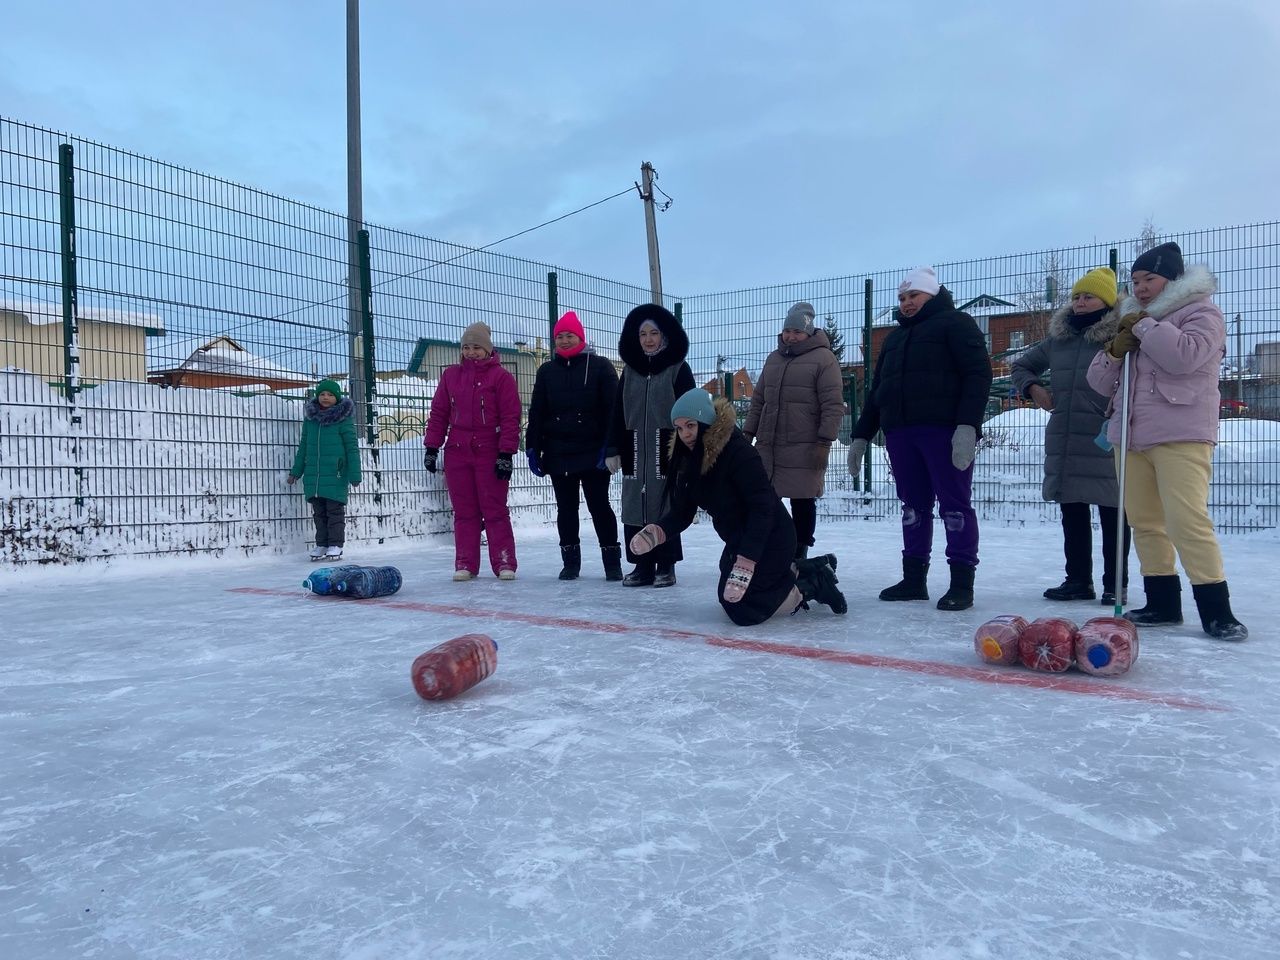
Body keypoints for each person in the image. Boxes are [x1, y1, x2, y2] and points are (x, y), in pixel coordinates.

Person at [1086, 242, 1247, 640]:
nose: (1139, 287)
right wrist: (1114, 349)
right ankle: (1162, 601)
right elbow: (1098, 382)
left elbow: (1185, 357)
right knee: (1144, 522)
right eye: (1135, 280)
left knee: (1186, 518)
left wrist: (1142, 326)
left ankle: (1217, 609)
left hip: (1181, 432)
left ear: (1171, 279)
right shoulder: (1131, 320)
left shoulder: (1202, 312)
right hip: (1130, 436)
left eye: (1149, 279)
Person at [630, 388, 847, 626]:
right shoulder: (689, 460)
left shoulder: (739, 453)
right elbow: (683, 511)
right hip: (739, 541)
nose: (685, 434)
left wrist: (747, 561)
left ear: (706, 421)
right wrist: (657, 533)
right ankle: (805, 568)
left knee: (742, 608)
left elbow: (762, 510)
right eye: (679, 428)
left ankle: (812, 586)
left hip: (771, 538)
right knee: (730, 596)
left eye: (690, 425)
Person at [847, 266, 992, 611]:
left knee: (954, 505)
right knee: (913, 507)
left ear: (932, 294)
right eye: (902, 297)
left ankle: (961, 582)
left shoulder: (956, 324)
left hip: (943, 432)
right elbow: (878, 390)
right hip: (901, 433)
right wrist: (861, 435)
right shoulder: (895, 338)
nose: (907, 303)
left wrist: (967, 426)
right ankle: (914, 579)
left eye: (914, 295)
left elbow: (978, 374)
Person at [1011, 267, 1132, 606]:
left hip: (1106, 435)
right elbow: (1021, 366)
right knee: (1073, 511)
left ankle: (1115, 584)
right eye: (1077, 296)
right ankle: (1078, 580)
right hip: (1065, 435)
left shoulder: (1121, 334)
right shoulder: (1058, 340)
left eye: (1088, 296)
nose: (1080, 302)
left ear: (1107, 301)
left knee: (1114, 512)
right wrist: (1034, 389)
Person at [525, 310, 623, 581]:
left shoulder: (600, 366)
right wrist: (533, 445)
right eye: (559, 336)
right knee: (566, 509)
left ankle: (612, 562)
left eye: (570, 335)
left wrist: (611, 446)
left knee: (599, 506)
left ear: (580, 337)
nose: (564, 341)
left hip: (593, 452)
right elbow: (537, 411)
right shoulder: (546, 371)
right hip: (559, 452)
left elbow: (614, 409)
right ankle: (571, 563)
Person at [743, 301, 845, 559]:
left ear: (809, 332)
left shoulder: (824, 359)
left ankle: (800, 554)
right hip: (769, 444)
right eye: (787, 330)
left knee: (802, 500)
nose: (791, 336)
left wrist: (824, 441)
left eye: (797, 331)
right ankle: (775, 550)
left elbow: (832, 404)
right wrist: (748, 433)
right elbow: (758, 400)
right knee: (766, 500)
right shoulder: (773, 359)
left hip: (805, 445)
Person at [605, 303, 695, 587]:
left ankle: (666, 564)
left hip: (667, 445)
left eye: (653, 333)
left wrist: (690, 448)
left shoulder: (677, 369)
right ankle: (642, 564)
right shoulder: (629, 371)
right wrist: (612, 448)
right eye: (642, 333)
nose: (647, 339)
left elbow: (692, 410)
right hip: (633, 445)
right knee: (635, 505)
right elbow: (617, 412)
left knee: (664, 503)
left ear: (664, 335)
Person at [423, 321, 522, 581]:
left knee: (494, 509)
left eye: (477, 347)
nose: (471, 352)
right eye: (466, 347)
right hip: (457, 450)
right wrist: (432, 447)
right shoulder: (451, 376)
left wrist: (506, 454)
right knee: (464, 511)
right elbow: (439, 413)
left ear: (488, 350)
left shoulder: (501, 378)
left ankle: (504, 562)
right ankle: (465, 563)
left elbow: (511, 417)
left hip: (489, 450)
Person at [288, 378, 362, 560]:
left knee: (334, 513)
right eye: (322, 394)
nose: (325, 397)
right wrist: (296, 472)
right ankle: (322, 544)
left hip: (336, 474)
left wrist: (354, 474)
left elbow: (352, 447)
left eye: (330, 394)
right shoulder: (311, 420)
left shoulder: (343, 420)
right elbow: (304, 446)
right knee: (319, 514)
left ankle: (336, 545)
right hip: (315, 476)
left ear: (337, 398)